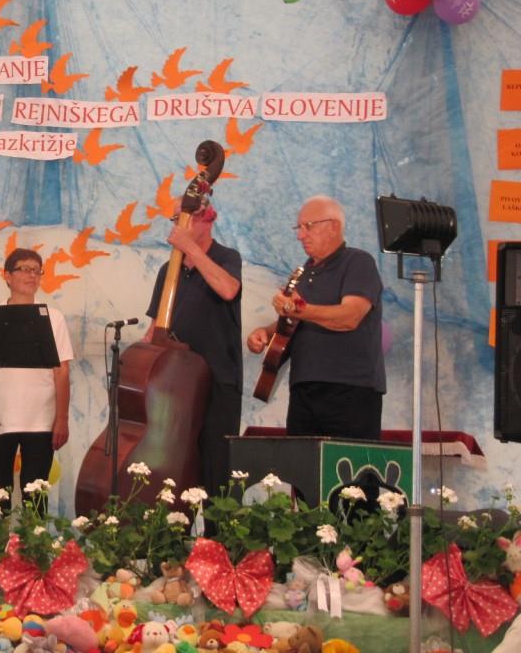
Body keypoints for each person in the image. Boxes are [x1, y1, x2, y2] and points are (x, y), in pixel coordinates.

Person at [247, 195, 385, 440]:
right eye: (298, 228)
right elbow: (298, 321)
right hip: (303, 388)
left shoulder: (358, 262)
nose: (300, 235)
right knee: (302, 463)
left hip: (350, 390)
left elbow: (350, 316)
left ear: (334, 226)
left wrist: (298, 309)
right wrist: (266, 333)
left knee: (347, 464)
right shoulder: (303, 272)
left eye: (308, 226)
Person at [141, 202, 242, 497]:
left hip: (217, 381)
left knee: (216, 468)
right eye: (176, 218)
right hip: (175, 386)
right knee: (173, 470)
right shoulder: (168, 270)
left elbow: (228, 289)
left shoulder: (226, 257)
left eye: (186, 217)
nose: (179, 224)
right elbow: (154, 329)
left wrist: (191, 249)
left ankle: (219, 528)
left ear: (207, 219)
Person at [0, 248, 73, 510]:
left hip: (41, 419)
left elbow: (62, 372)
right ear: (7, 276)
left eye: (36, 270)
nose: (31, 275)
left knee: (36, 498)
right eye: (24, 269)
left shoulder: (53, 317)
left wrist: (62, 418)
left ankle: (34, 539)